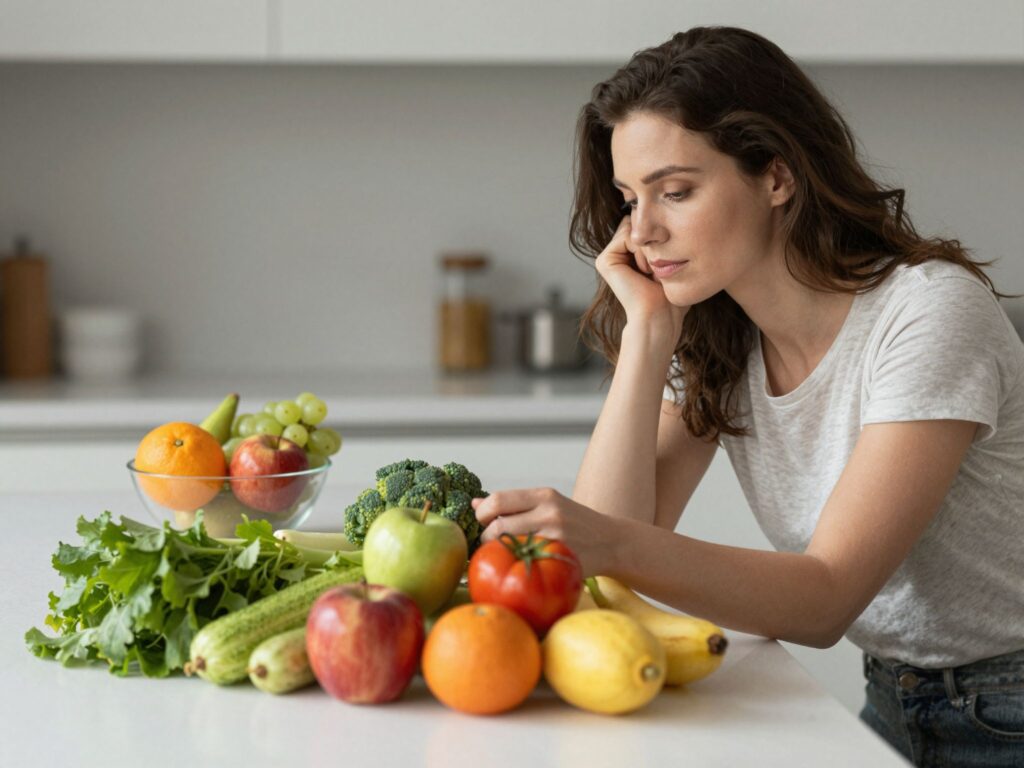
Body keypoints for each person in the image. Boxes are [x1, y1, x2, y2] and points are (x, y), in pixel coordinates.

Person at [469, 26, 1024, 767]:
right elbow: (612, 547)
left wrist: (601, 538)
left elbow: (825, 599)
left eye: (677, 191)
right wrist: (647, 335)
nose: (643, 231)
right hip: (894, 698)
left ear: (776, 177)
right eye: (629, 199)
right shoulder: (718, 334)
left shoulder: (927, 315)